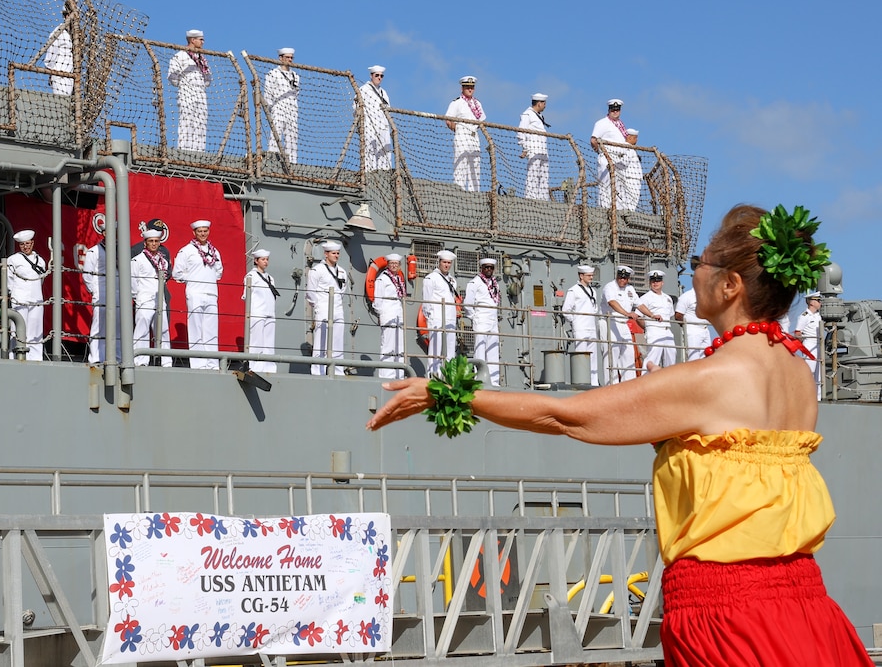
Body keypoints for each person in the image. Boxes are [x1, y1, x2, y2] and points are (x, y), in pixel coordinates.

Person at [368, 204, 873, 667]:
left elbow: (566, 417)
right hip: (807, 607)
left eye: (700, 262)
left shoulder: (713, 379)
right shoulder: (798, 375)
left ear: (730, 285)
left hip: (728, 617)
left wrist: (448, 393)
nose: (692, 273)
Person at [172, 219, 222, 369]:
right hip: (195, 293)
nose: (203, 234)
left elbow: (219, 272)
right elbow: (177, 273)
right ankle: (199, 364)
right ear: (194, 232)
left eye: (205, 231)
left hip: (211, 293)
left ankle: (212, 363)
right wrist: (193, 277)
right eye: (200, 231)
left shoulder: (214, 251)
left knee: (211, 330)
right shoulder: (187, 251)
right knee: (196, 329)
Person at [306, 240, 349, 375]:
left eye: (337, 253)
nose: (336, 256)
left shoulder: (342, 272)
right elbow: (311, 292)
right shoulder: (317, 270)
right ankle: (317, 371)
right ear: (326, 254)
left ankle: (337, 371)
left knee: (338, 342)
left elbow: (342, 291)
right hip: (323, 308)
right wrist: (318, 306)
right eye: (333, 253)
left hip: (337, 308)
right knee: (321, 342)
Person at [131, 229, 172, 367]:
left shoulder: (163, 261)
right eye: (151, 241)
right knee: (142, 329)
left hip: (159, 299)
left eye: (156, 241)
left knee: (163, 330)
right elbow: (132, 281)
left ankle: (166, 361)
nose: (154, 244)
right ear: (145, 243)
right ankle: (140, 360)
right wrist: (138, 297)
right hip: (144, 299)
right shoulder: (137, 260)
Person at [6, 229, 48, 361]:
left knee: (35, 329)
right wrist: (14, 294)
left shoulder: (40, 261)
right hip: (19, 297)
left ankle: (35, 357)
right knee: (17, 328)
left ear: (32, 243)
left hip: (36, 298)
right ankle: (15, 356)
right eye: (22, 244)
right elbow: (9, 280)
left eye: (28, 243)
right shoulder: (13, 259)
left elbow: (41, 279)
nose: (25, 247)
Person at [167, 29, 211, 151]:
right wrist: (184, 84)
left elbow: (208, 79)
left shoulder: (202, 59)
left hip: (200, 94)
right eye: (200, 39)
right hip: (187, 93)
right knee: (187, 120)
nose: (203, 42)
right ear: (193, 40)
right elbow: (172, 76)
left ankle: (199, 150)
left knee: (201, 122)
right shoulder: (181, 55)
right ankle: (184, 150)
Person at [464, 258, 502, 386]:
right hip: (481, 319)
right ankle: (479, 379)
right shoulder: (475, 283)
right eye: (486, 267)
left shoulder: (495, 284)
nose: (489, 270)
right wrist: (474, 317)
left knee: (493, 350)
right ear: (482, 268)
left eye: (491, 267)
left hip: (493, 320)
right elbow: (468, 303)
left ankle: (494, 380)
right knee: (480, 350)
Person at [561, 264, 601, 386]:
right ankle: (581, 382)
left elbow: (594, 309)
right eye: (589, 275)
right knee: (581, 355)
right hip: (580, 327)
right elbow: (566, 310)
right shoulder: (574, 290)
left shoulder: (593, 291)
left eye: (592, 275)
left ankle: (593, 382)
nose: (591, 277)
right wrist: (574, 321)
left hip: (591, 327)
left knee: (593, 357)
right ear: (581, 276)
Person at [81, 236, 118, 364]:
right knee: (99, 325)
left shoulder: (120, 250)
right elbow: (87, 274)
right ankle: (96, 357)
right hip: (101, 291)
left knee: (118, 326)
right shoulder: (94, 251)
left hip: (118, 292)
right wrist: (94, 291)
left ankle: (118, 357)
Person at [445, 76, 486, 192]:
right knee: (461, 164)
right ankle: (460, 191)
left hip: (474, 136)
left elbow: (482, 121)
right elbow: (448, 120)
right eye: (467, 87)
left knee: (475, 165)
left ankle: (475, 192)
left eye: (472, 87)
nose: (470, 89)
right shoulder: (457, 103)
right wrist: (458, 130)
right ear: (462, 88)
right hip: (462, 134)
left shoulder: (477, 104)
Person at [422, 249, 459, 376]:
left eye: (449, 263)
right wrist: (430, 317)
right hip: (437, 317)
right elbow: (426, 300)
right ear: (439, 262)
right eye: (444, 262)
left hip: (450, 318)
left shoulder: (452, 280)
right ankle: (433, 376)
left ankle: (449, 376)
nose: (446, 265)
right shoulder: (431, 278)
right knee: (435, 349)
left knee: (450, 349)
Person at [601, 265, 639, 383]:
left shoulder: (630, 289)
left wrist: (652, 315)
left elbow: (639, 304)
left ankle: (629, 385)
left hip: (624, 324)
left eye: (624, 278)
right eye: (620, 277)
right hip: (610, 323)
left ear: (628, 279)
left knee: (628, 355)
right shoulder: (610, 287)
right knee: (611, 356)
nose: (622, 280)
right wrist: (627, 313)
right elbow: (612, 302)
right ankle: (611, 386)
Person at [243, 249, 278, 373]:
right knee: (256, 341)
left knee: (269, 341)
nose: (265, 262)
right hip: (257, 312)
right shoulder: (251, 276)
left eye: (267, 259)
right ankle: (255, 366)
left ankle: (269, 367)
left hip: (270, 312)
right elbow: (246, 295)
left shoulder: (270, 278)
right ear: (256, 261)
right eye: (263, 259)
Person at [373, 254, 407, 379]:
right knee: (388, 345)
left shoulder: (398, 279)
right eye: (392, 263)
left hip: (398, 315)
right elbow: (378, 299)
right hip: (388, 314)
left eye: (396, 264)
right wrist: (381, 314)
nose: (394, 265)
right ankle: (386, 375)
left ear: (399, 266)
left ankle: (399, 374)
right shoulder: (382, 279)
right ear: (387, 265)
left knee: (399, 346)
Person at [590, 99, 628, 210]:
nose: (615, 112)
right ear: (609, 110)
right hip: (607, 159)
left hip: (620, 161)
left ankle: (619, 211)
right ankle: (604, 209)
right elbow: (593, 140)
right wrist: (601, 152)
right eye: (613, 110)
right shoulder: (602, 123)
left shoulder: (620, 125)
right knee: (605, 185)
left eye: (617, 110)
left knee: (620, 187)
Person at [263, 47, 300, 163]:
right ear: (281, 58)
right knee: (276, 134)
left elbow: (296, 93)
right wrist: (270, 109)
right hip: (278, 106)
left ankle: (292, 162)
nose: (290, 60)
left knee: (292, 136)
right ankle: (273, 160)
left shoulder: (295, 76)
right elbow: (268, 94)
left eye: (291, 57)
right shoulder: (273, 74)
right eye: (287, 57)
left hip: (292, 109)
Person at [636, 269, 676, 368]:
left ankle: (668, 377)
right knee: (653, 358)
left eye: (658, 281)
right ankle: (646, 377)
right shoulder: (645, 298)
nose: (655, 283)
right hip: (654, 330)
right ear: (650, 283)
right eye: (653, 281)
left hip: (667, 330)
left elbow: (670, 314)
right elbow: (638, 317)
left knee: (671, 356)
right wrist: (647, 327)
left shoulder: (668, 298)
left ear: (662, 283)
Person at [357, 65, 393, 171]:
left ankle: (385, 172)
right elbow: (356, 106)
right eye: (377, 75)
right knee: (370, 148)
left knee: (385, 149)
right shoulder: (364, 89)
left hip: (383, 125)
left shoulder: (384, 93)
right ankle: (369, 171)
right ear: (371, 76)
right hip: (369, 124)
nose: (379, 78)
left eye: (381, 76)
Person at [517, 93, 550, 200]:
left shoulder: (539, 116)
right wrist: (525, 148)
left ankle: (543, 198)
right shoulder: (527, 114)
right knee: (533, 173)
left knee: (544, 174)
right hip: (534, 148)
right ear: (539, 103)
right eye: (544, 103)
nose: (545, 105)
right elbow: (521, 131)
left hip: (543, 149)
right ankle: (531, 197)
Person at [796, 292, 823, 399]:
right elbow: (798, 332)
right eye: (818, 300)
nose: (820, 303)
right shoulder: (804, 316)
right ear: (812, 302)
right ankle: (807, 396)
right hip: (809, 344)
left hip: (819, 344)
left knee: (819, 374)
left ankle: (818, 398)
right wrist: (803, 346)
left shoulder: (818, 316)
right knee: (810, 371)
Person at [674, 286, 711, 361]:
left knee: (707, 357)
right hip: (693, 330)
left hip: (705, 329)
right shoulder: (687, 296)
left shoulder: (706, 297)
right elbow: (678, 315)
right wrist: (686, 325)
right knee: (693, 357)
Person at [44, 9, 74, 95]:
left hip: (71, 77)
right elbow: (50, 57)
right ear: (66, 16)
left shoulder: (74, 34)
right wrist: (53, 72)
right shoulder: (59, 32)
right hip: (60, 76)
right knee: (62, 100)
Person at [618, 128, 645, 211]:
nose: (636, 140)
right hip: (632, 178)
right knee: (632, 198)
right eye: (635, 138)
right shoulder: (628, 148)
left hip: (631, 177)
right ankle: (630, 213)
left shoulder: (628, 148)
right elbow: (624, 162)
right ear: (629, 137)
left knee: (630, 199)